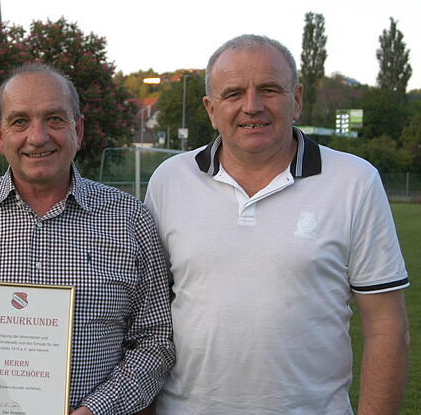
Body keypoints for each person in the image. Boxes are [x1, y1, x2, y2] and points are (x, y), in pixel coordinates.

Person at [145, 34, 410, 414]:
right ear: (210, 108)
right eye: (233, 93)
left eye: (269, 89)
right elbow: (147, 319)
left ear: (297, 99)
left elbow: (387, 328)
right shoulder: (170, 179)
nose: (251, 107)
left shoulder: (354, 181)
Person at [0, 63, 174, 415]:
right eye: (20, 121)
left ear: (78, 129)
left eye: (54, 118)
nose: (37, 137)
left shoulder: (130, 220)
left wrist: (96, 410)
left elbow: (154, 340)